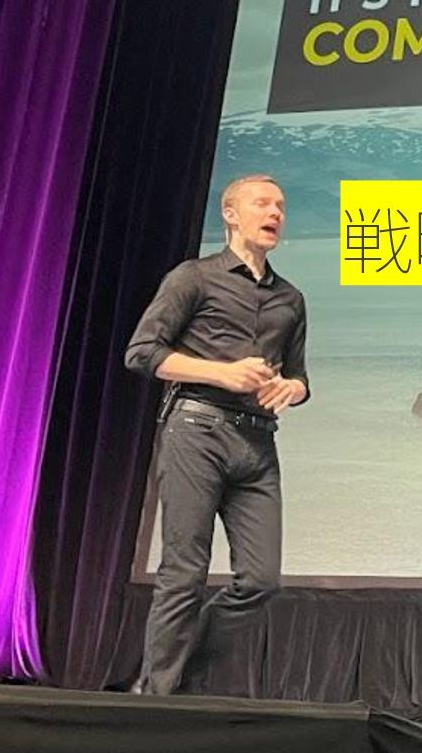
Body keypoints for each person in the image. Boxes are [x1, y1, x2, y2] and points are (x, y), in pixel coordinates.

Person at [123, 174, 310, 695]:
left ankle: (177, 675)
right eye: (262, 203)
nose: (275, 213)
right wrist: (221, 373)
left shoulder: (290, 298)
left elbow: (300, 377)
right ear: (230, 214)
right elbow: (141, 353)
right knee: (184, 573)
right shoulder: (194, 278)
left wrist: (291, 389)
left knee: (260, 581)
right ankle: (155, 700)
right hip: (196, 430)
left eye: (281, 205)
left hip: (258, 443)